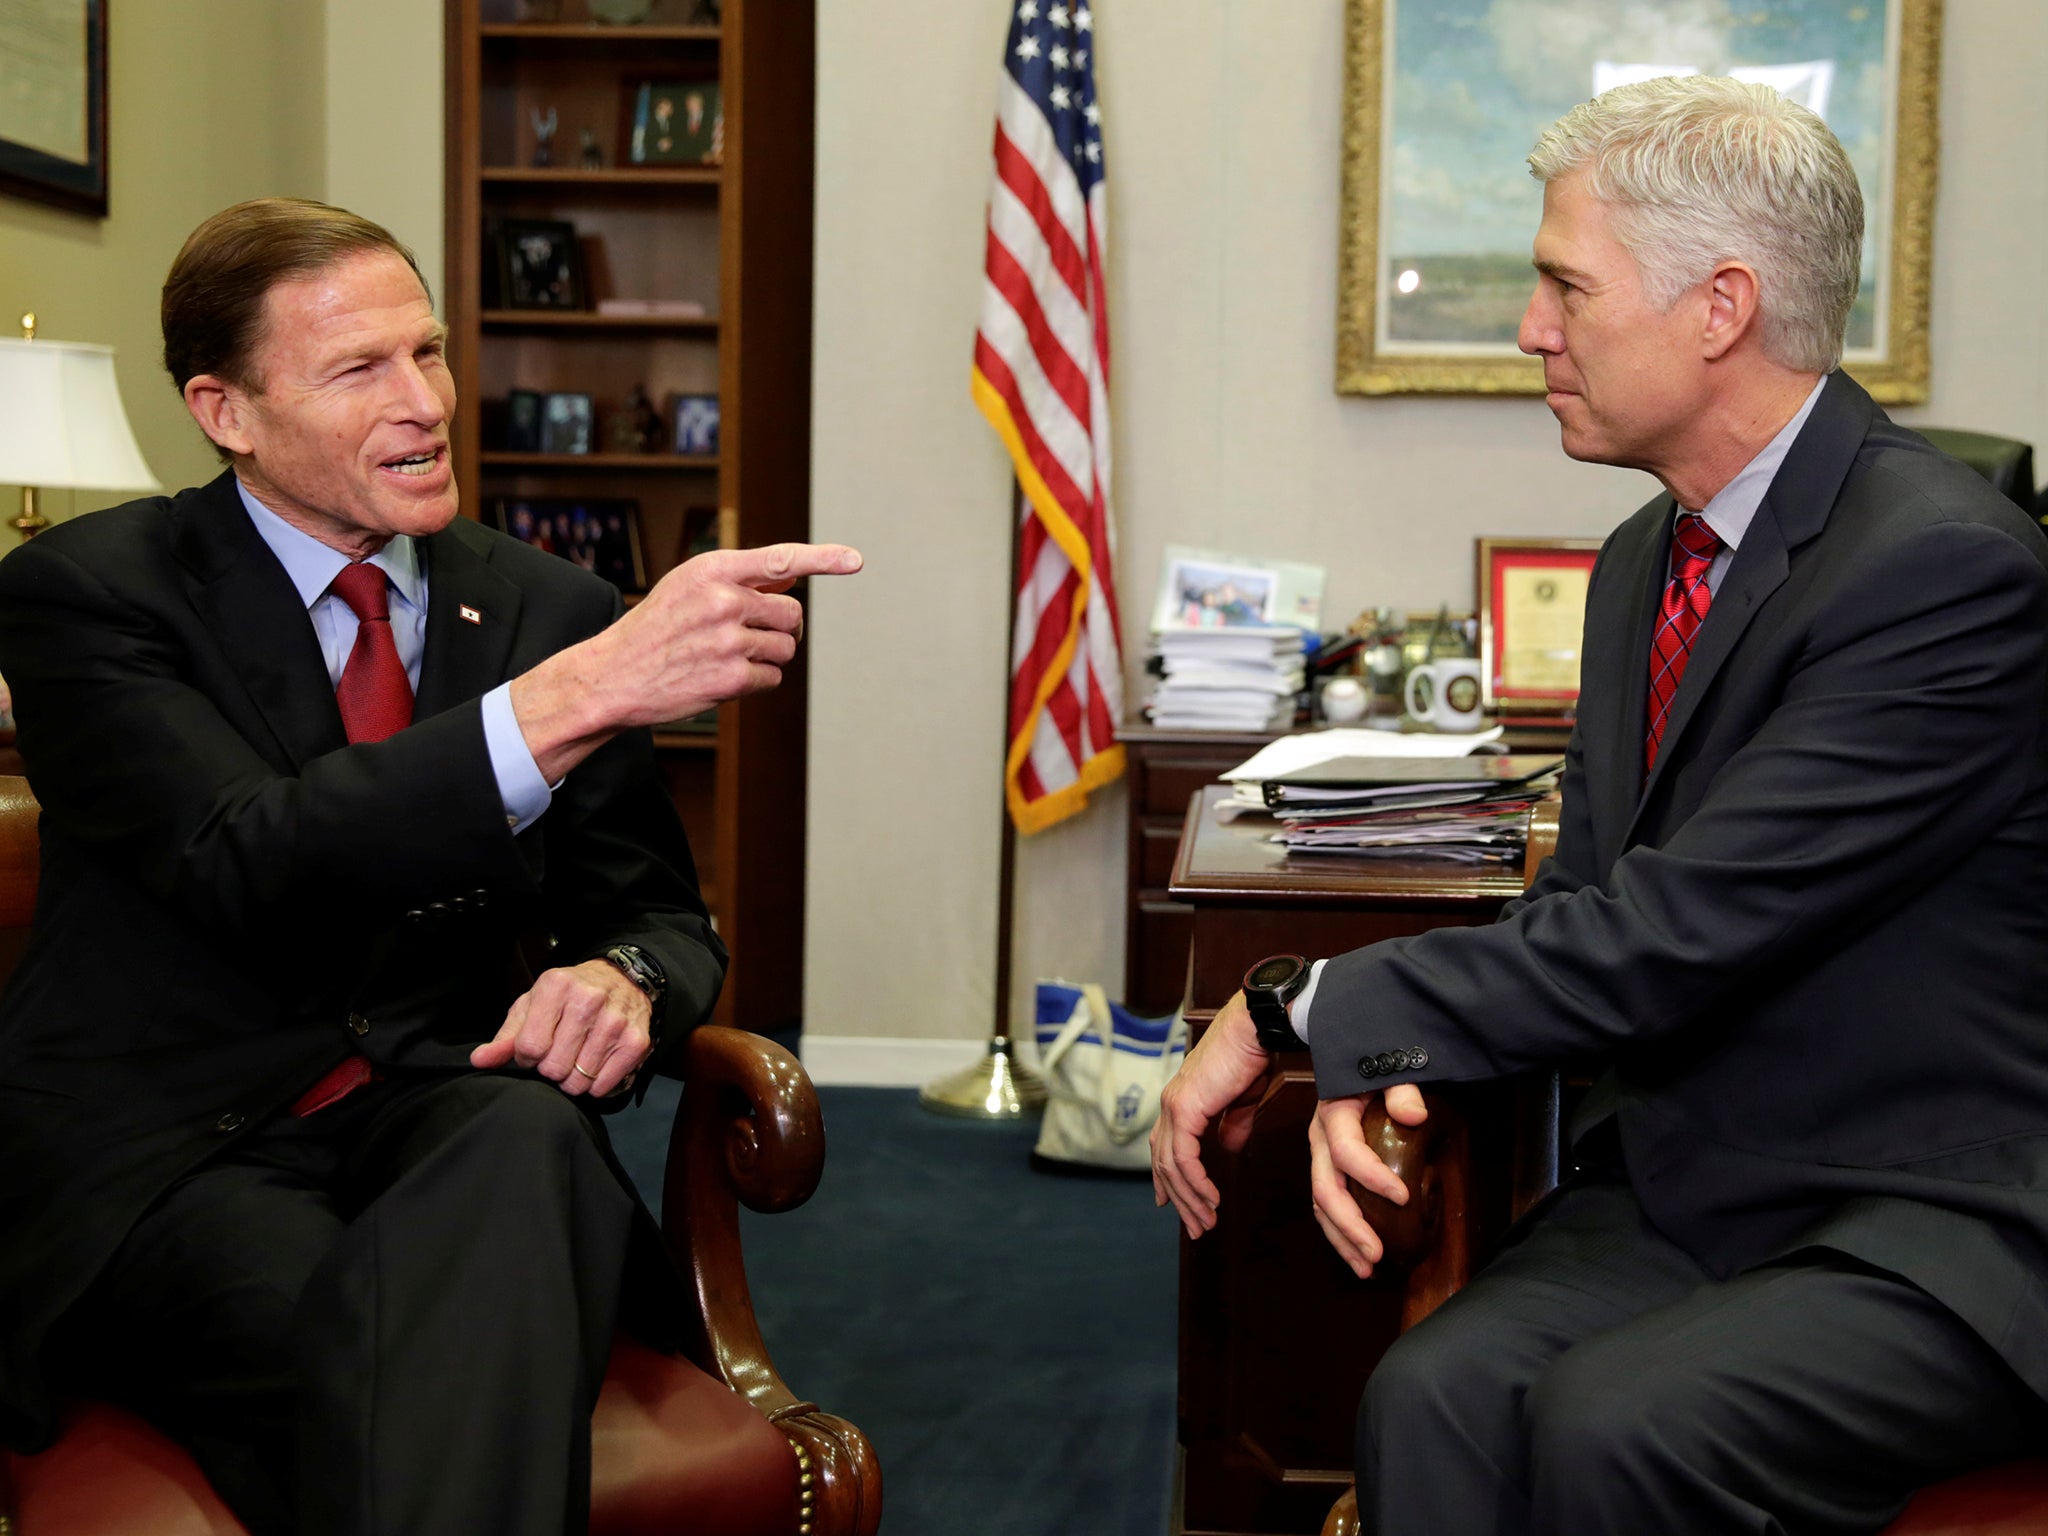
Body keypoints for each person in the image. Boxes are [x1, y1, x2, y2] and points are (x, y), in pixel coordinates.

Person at [1153, 75, 2048, 1536]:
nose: (1530, 329)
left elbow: (1680, 931)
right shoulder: (1646, 556)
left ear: (1721, 308)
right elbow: (1583, 900)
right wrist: (1411, 1065)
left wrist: (1295, 1013)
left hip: (1928, 1220)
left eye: (1566, 285)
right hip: (1702, 1184)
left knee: (1617, 1426)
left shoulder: (1946, 574)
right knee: (1428, 1397)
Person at [0, 197, 861, 1535]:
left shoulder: (543, 608)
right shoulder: (94, 594)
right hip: (187, 1153)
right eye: (360, 370)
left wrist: (627, 980)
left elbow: (657, 915)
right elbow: (250, 855)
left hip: (453, 1114)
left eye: (432, 352)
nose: (426, 403)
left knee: (529, 1134)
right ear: (226, 410)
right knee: (423, 1358)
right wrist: (571, 701)